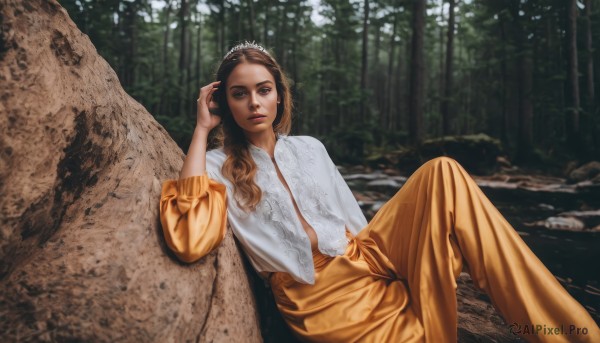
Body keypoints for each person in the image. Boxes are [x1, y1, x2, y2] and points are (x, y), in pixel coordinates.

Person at [159, 41, 599, 343]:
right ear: (225, 104)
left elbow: (357, 222)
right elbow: (191, 240)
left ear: (279, 96)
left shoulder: (310, 148)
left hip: (364, 259)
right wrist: (201, 130)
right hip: (315, 296)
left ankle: (569, 333)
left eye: (263, 90)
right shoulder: (216, 166)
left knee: (442, 170)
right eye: (239, 94)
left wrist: (415, 255)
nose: (254, 102)